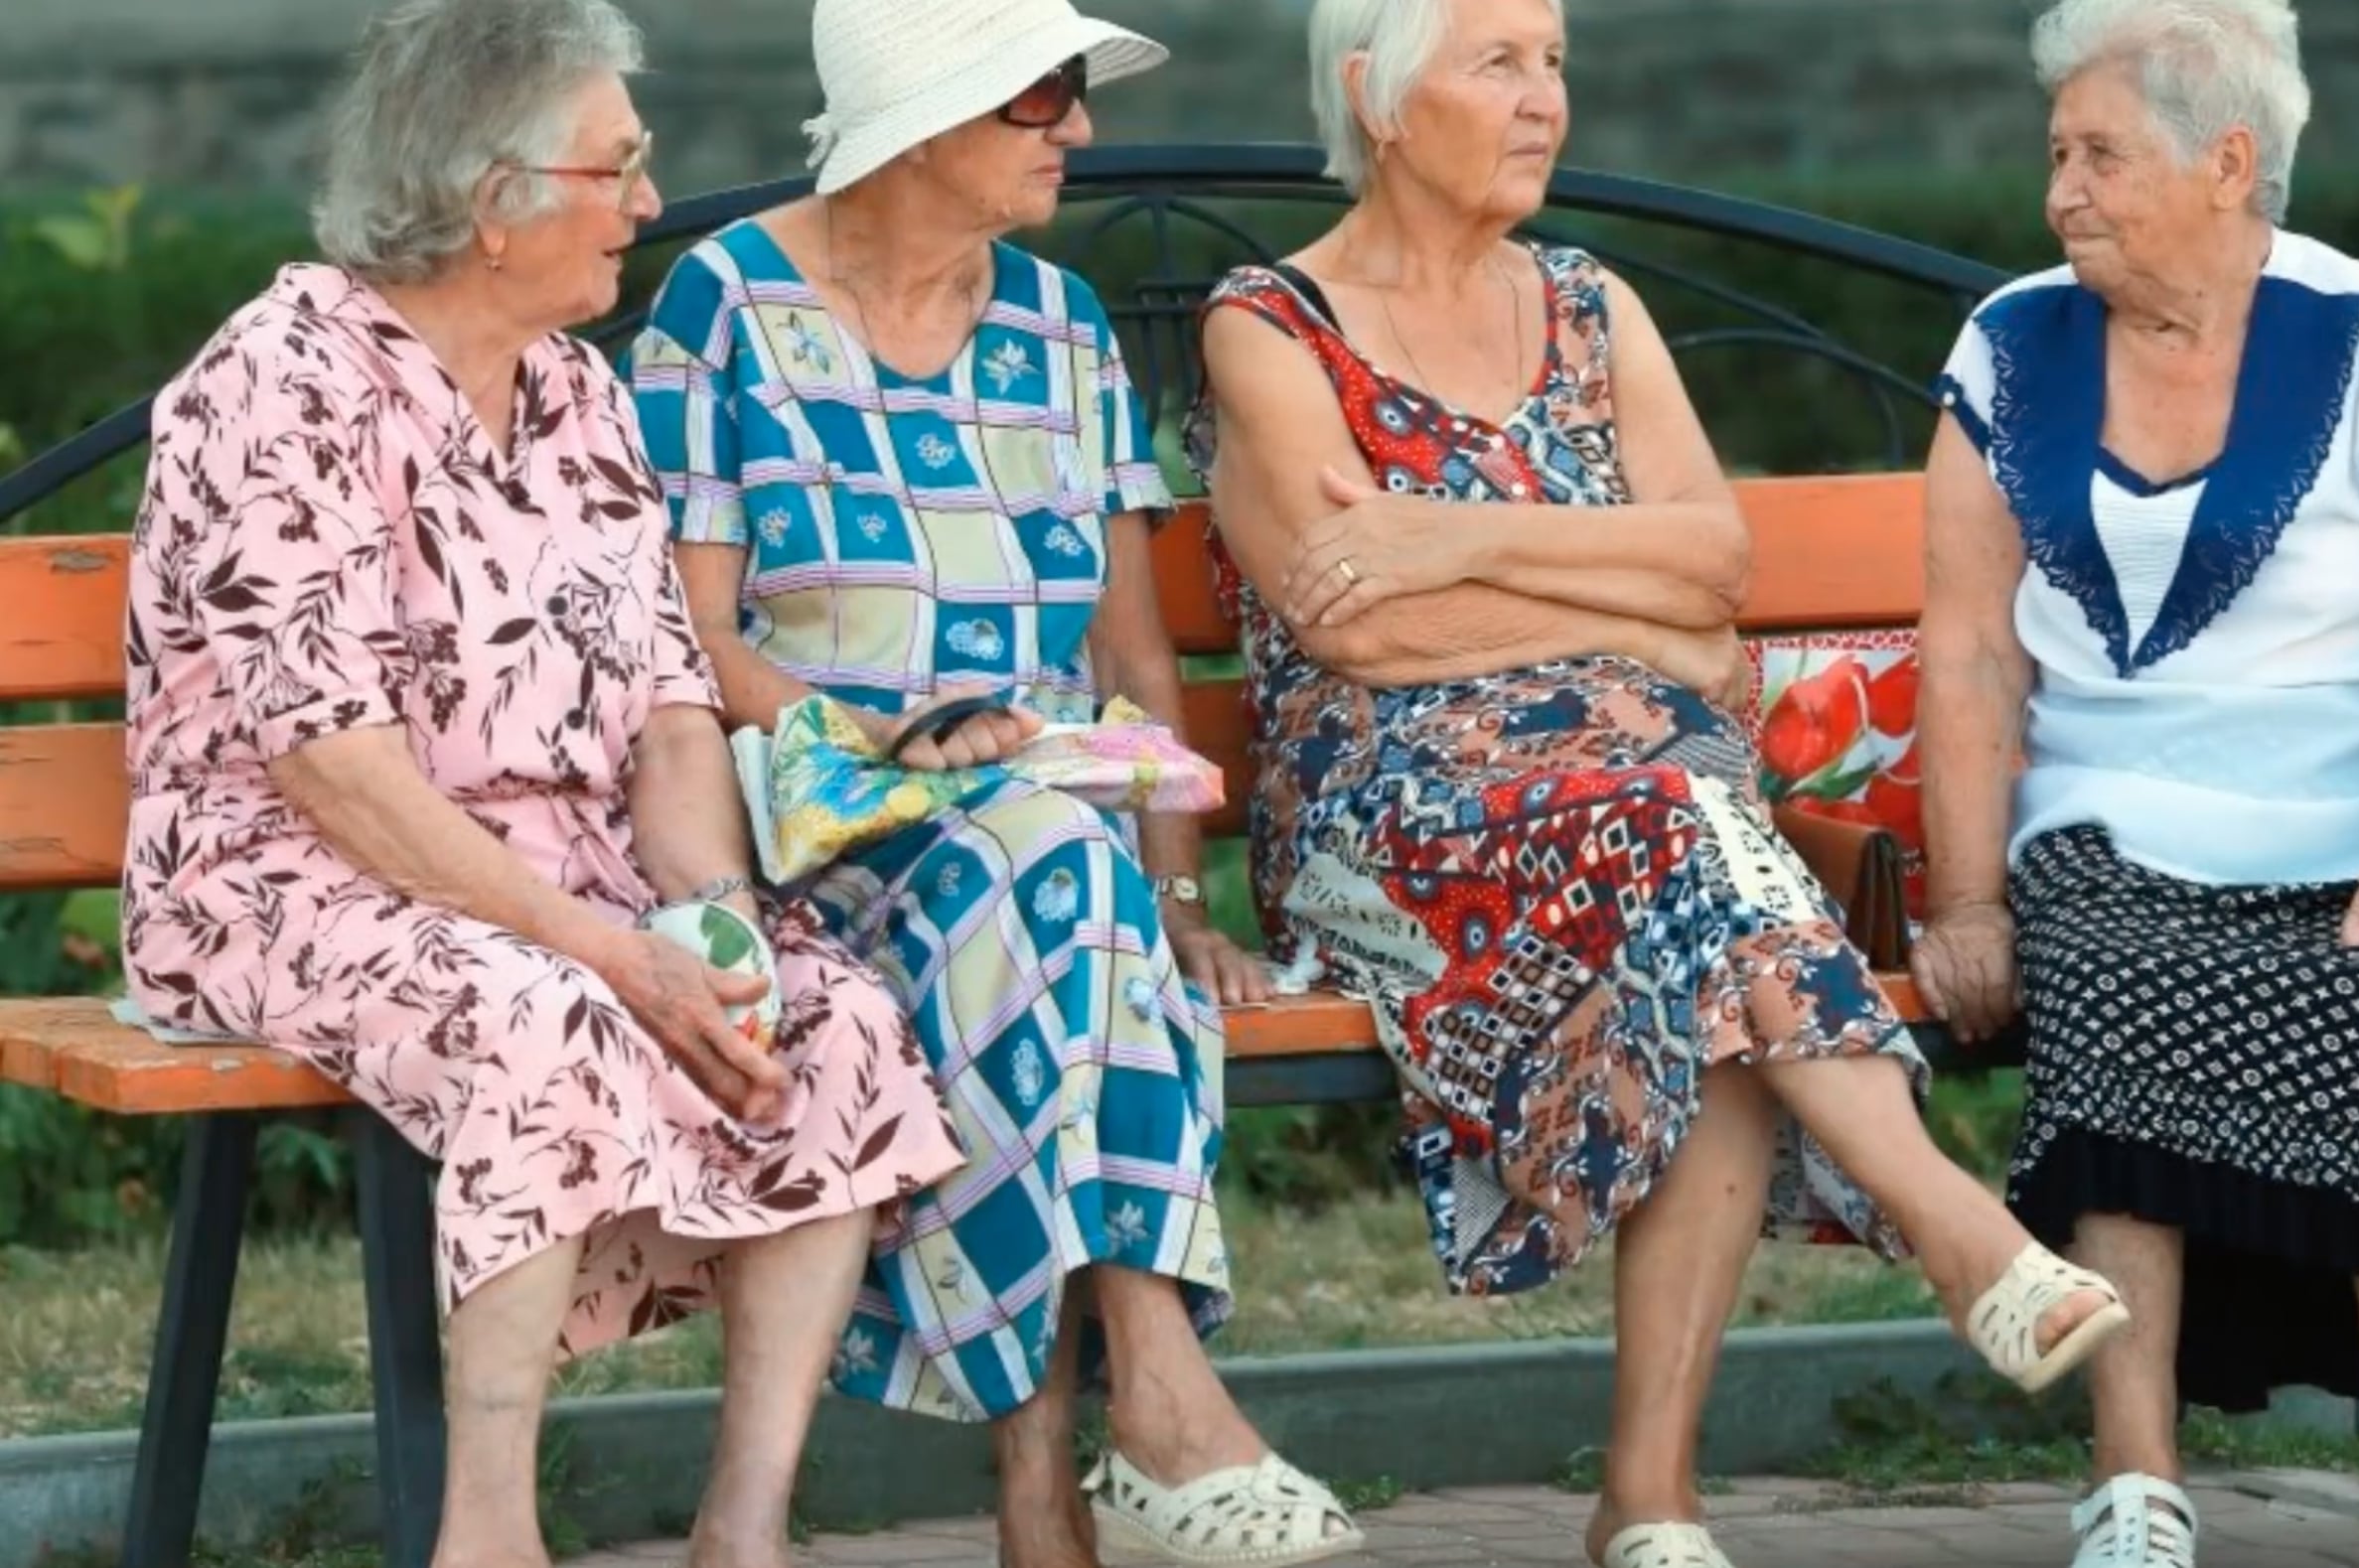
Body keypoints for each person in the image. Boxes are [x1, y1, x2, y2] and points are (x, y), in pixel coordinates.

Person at [1186, 3, 2132, 1566]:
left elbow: (1720, 563)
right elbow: (1352, 628)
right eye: (1498, 62)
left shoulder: (1584, 300)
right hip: (1395, 819)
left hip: (1643, 807)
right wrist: (1626, 612)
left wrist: (1456, 533)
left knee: (1685, 890)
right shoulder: (1270, 325)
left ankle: (1653, 1503)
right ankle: (1945, 1239)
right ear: (1373, 94)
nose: (1544, 98)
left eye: (1553, 61)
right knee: (1694, 852)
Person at [118, 4, 966, 1566]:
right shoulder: (280, 382)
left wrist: (712, 926)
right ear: (489, 197)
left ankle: (743, 1532)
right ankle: (490, 1537)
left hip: (548, 881)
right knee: (551, 1019)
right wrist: (611, 955)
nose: (647, 201)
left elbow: (667, 712)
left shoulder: (575, 395)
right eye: (617, 167)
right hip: (289, 874)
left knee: (823, 1013)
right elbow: (332, 764)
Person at [629, 3, 1355, 1565]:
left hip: (1045, 847)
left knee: (1060, 898)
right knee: (1053, 896)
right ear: (918, 122)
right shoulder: (728, 306)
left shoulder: (1059, 325)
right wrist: (885, 736)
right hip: (820, 829)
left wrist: (1179, 899)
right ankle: (1155, 1406)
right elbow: (681, 645)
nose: (1076, 132)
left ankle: (1054, 1488)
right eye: (1042, 97)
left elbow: (1136, 668)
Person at [1911, 2, 2359, 1564]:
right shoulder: (2008, 342)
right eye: (2054, 152)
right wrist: (1974, 898)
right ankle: (2134, 1483)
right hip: (2111, 816)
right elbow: (1972, 653)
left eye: (2099, 155)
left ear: (2228, 163)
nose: (2059, 189)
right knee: (2112, 980)